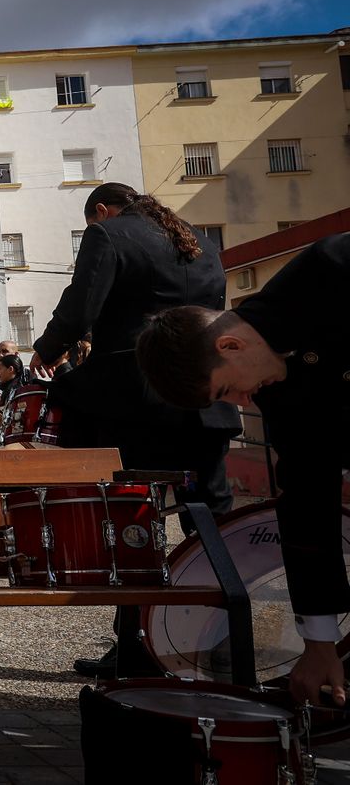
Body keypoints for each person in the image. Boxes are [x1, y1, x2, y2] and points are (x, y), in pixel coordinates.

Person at [28, 182, 240, 679]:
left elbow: (82, 307)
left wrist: (48, 349)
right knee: (212, 522)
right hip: (203, 399)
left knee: (134, 522)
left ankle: (135, 649)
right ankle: (225, 642)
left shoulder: (108, 234)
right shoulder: (201, 240)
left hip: (136, 400)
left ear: (102, 210)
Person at [135, 233, 350, 709]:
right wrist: (319, 641)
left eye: (226, 390)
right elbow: (308, 501)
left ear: (230, 345)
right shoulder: (280, 392)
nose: (243, 401)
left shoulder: (334, 266)